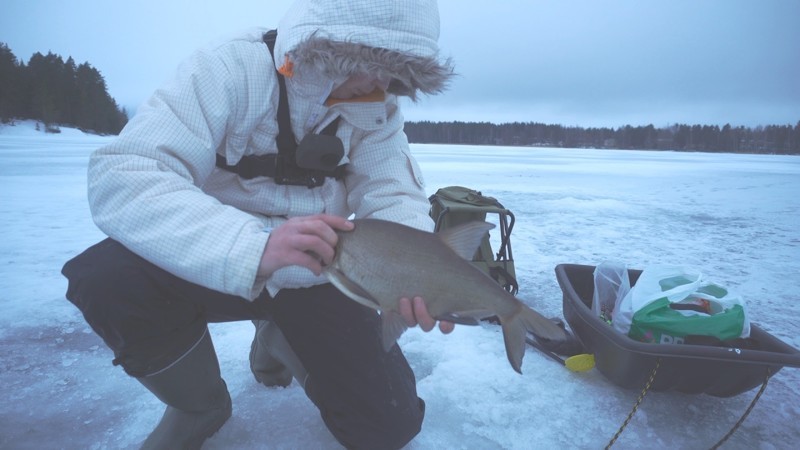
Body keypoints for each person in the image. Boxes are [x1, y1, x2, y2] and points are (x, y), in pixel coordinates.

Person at [61, 0, 456, 448]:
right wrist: (252, 249)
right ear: (333, 45)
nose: (382, 83)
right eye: (372, 64)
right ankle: (199, 404)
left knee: (385, 428)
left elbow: (393, 194)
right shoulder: (228, 68)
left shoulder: (375, 104)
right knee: (107, 279)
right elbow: (127, 173)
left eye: (396, 72)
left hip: (321, 276)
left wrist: (409, 275)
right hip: (211, 261)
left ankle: (277, 334)